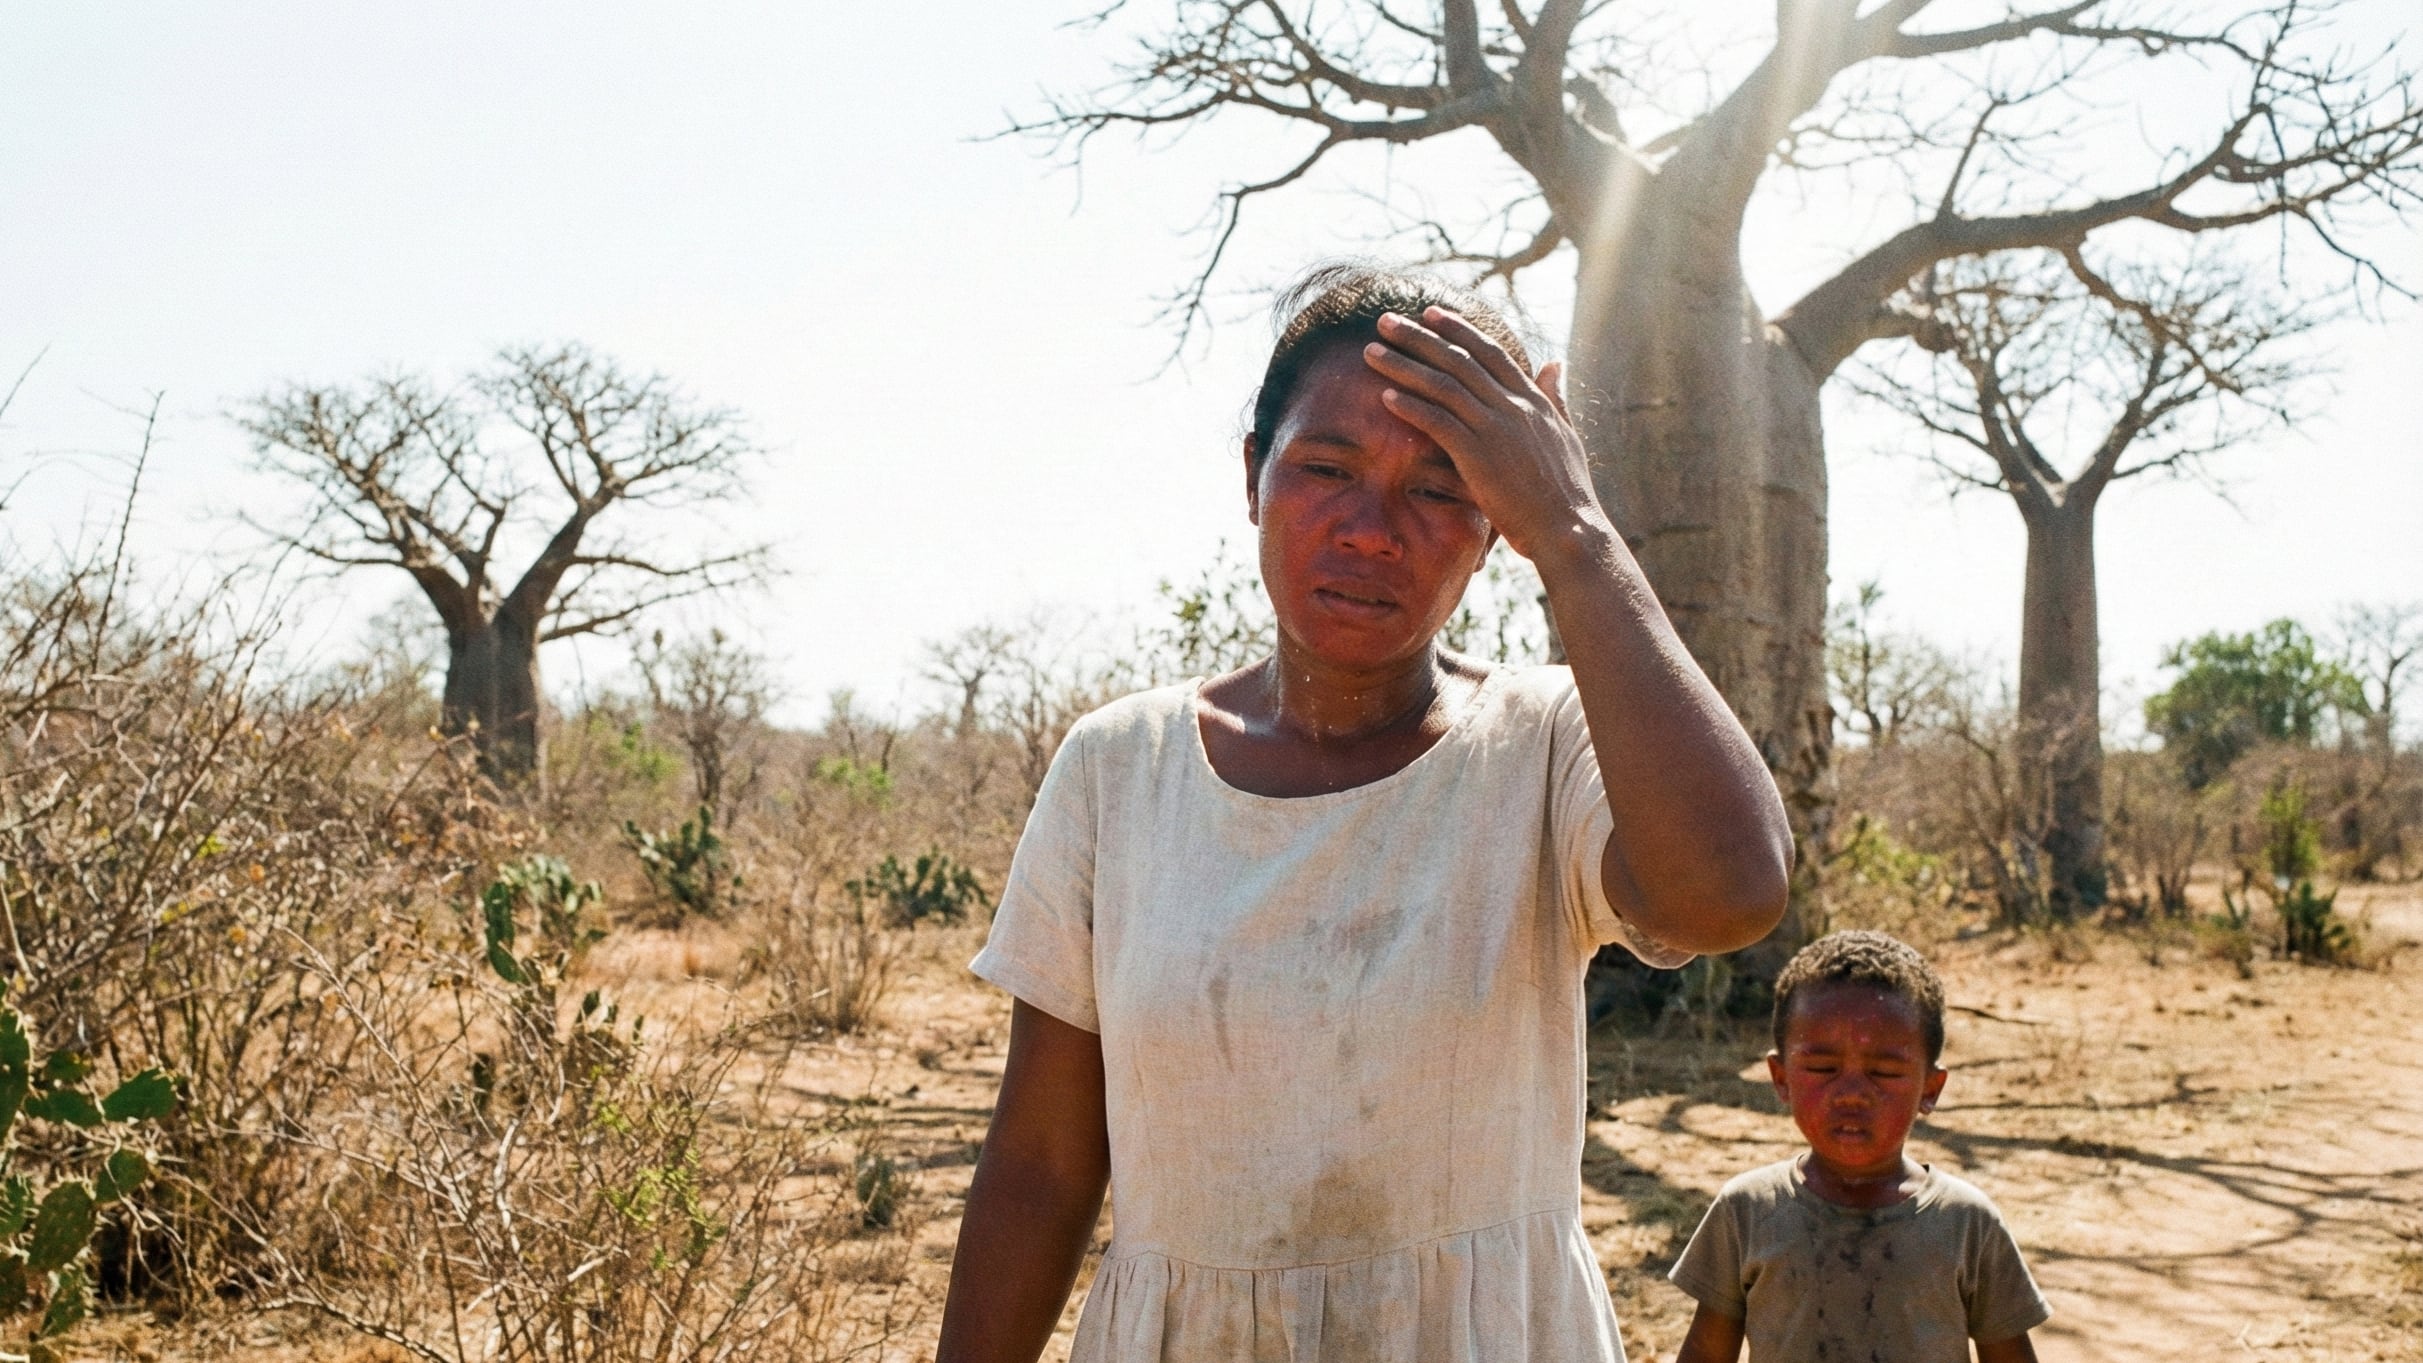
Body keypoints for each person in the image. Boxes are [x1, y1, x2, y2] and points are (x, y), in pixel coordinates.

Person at [936, 262, 1793, 1363]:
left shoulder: (1544, 742)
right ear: (1253, 476)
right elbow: (1044, 1159)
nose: (1370, 528)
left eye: (1440, 489)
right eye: (1324, 466)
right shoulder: (1121, 767)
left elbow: (1728, 894)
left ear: (1495, 526)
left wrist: (1574, 534)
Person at [1669, 931, 2051, 1363]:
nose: (1851, 1093)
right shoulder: (1748, 1210)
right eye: (1822, 1067)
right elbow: (1706, 1352)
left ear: (1931, 1087)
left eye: (1885, 1072)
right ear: (1781, 1079)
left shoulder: (1967, 1223)